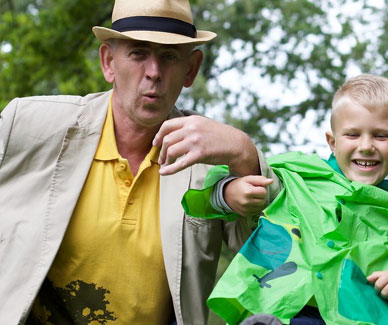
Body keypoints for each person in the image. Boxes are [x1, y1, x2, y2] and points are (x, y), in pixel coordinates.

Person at [0, 0, 274, 324]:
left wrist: (244, 153)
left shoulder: (211, 163)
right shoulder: (30, 124)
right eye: (139, 53)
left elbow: (268, 255)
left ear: (191, 69)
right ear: (108, 62)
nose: (154, 73)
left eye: (169, 56)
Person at [182, 74, 388, 324]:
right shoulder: (296, 176)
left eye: (381, 136)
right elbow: (219, 183)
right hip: (285, 310)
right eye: (352, 134)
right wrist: (229, 191)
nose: (366, 146)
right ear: (332, 142)